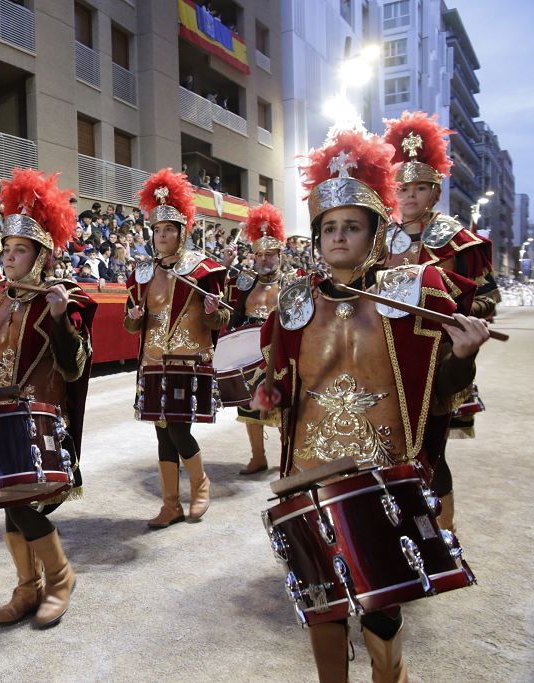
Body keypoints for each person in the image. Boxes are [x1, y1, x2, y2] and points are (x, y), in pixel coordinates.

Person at [250, 127, 490, 683]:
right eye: (328, 227)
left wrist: (464, 356)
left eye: (351, 226)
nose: (338, 236)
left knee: (381, 604)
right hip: (309, 470)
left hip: (380, 471)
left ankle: (391, 676)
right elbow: (279, 380)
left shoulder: (414, 288)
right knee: (320, 599)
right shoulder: (294, 299)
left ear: (376, 233)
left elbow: (438, 385)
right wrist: (269, 392)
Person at [0, 168, 95, 629]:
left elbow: (74, 366)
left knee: (21, 504)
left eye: (19, 250)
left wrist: (61, 317)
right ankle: (28, 586)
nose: (8, 258)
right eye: (5, 250)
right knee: (9, 502)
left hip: (39, 416)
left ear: (42, 255)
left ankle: (61, 578)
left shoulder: (69, 298)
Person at [382, 112, 500, 533]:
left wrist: (455, 312)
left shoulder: (456, 239)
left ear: (434, 190)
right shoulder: (381, 238)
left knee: (433, 450)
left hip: (440, 359)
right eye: (403, 188)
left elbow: (488, 298)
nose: (410, 196)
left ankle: (443, 534)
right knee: (394, 447)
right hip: (390, 359)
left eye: (419, 188)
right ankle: (401, 533)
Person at [123, 168, 229, 529]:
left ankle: (200, 486)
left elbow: (219, 322)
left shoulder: (203, 270)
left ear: (182, 233)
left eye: (169, 230)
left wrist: (215, 312)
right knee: (161, 433)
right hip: (153, 362)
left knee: (179, 431)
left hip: (188, 361)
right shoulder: (143, 273)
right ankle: (171, 504)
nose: (163, 235)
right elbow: (130, 323)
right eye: (158, 230)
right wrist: (135, 316)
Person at [221, 202, 287, 474]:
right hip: (249, 352)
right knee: (249, 405)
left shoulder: (291, 281)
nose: (265, 260)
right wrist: (225, 265)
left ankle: (287, 458)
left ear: (280, 255)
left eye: (271, 255)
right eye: (260, 255)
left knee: (284, 406)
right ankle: (258, 457)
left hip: (280, 350)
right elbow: (221, 298)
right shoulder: (245, 283)